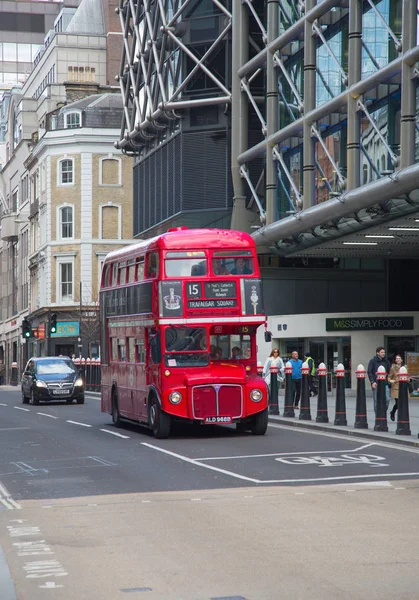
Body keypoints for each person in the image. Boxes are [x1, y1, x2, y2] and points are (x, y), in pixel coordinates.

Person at [367, 346, 391, 414]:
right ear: (377, 353)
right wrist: (372, 382)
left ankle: (382, 412)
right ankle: (377, 415)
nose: (383, 353)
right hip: (376, 383)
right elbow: (369, 372)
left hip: (385, 383)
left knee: (387, 399)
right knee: (376, 400)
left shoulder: (386, 361)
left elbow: (389, 371)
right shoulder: (372, 361)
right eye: (382, 352)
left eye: (384, 352)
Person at [388, 354, 403, 421]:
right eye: (397, 358)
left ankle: (395, 413)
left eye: (399, 358)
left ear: (401, 360)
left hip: (403, 387)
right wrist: (390, 380)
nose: (398, 359)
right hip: (396, 387)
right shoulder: (393, 368)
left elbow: (408, 377)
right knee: (398, 403)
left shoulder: (405, 367)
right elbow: (389, 376)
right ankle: (393, 413)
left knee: (402, 403)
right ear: (395, 360)